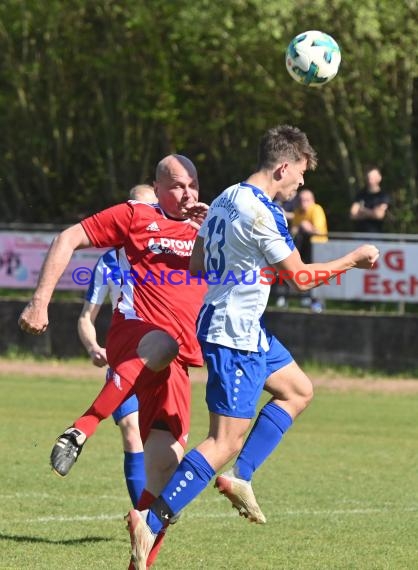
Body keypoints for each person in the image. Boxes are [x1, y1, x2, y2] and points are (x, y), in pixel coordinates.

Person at [125, 124, 380, 570]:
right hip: (235, 334)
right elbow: (300, 278)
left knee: (298, 390)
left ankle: (240, 477)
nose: (302, 183)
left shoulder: (224, 198)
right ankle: (152, 519)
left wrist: (241, 262)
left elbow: (199, 263)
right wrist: (354, 260)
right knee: (223, 439)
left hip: (241, 327)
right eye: (300, 174)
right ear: (283, 166)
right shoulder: (263, 213)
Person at [18, 155, 208, 569]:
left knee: (165, 487)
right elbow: (67, 237)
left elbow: (260, 264)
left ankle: (139, 563)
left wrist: (215, 229)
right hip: (136, 338)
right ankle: (82, 427)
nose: (187, 193)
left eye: (192, 184)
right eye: (177, 185)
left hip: (176, 367)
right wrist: (39, 302)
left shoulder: (208, 227)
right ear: (156, 188)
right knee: (163, 345)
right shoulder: (136, 215)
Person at [74, 184, 157, 509]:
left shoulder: (165, 256)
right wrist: (93, 346)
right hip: (124, 358)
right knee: (131, 429)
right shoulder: (107, 262)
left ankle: (156, 509)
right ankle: (143, 518)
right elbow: (86, 317)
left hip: (160, 358)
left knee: (160, 439)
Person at [292, 188, 328, 312]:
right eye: (301, 200)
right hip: (304, 247)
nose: (303, 203)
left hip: (318, 246)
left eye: (307, 200)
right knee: (305, 273)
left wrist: (306, 227)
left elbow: (317, 230)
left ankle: (318, 303)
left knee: (318, 275)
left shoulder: (316, 209)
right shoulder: (297, 211)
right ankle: (307, 299)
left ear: (312, 201)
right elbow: (293, 231)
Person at [349, 166, 390, 233]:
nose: (370, 180)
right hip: (359, 235)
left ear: (379, 178)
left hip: (376, 235)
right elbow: (353, 215)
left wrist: (363, 211)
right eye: (369, 177)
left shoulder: (383, 196)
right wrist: (372, 213)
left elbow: (379, 215)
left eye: (373, 177)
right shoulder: (360, 195)